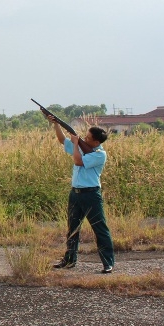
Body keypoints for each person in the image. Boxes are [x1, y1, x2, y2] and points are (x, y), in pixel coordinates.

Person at [45, 114, 114, 274]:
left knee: (100, 228)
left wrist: (76, 144)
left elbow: (78, 161)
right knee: (72, 228)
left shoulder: (99, 154)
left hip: (91, 195)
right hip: (75, 194)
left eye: (88, 138)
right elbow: (63, 141)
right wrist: (56, 125)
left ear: (96, 142)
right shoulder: (82, 147)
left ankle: (108, 262)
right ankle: (69, 260)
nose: (85, 138)